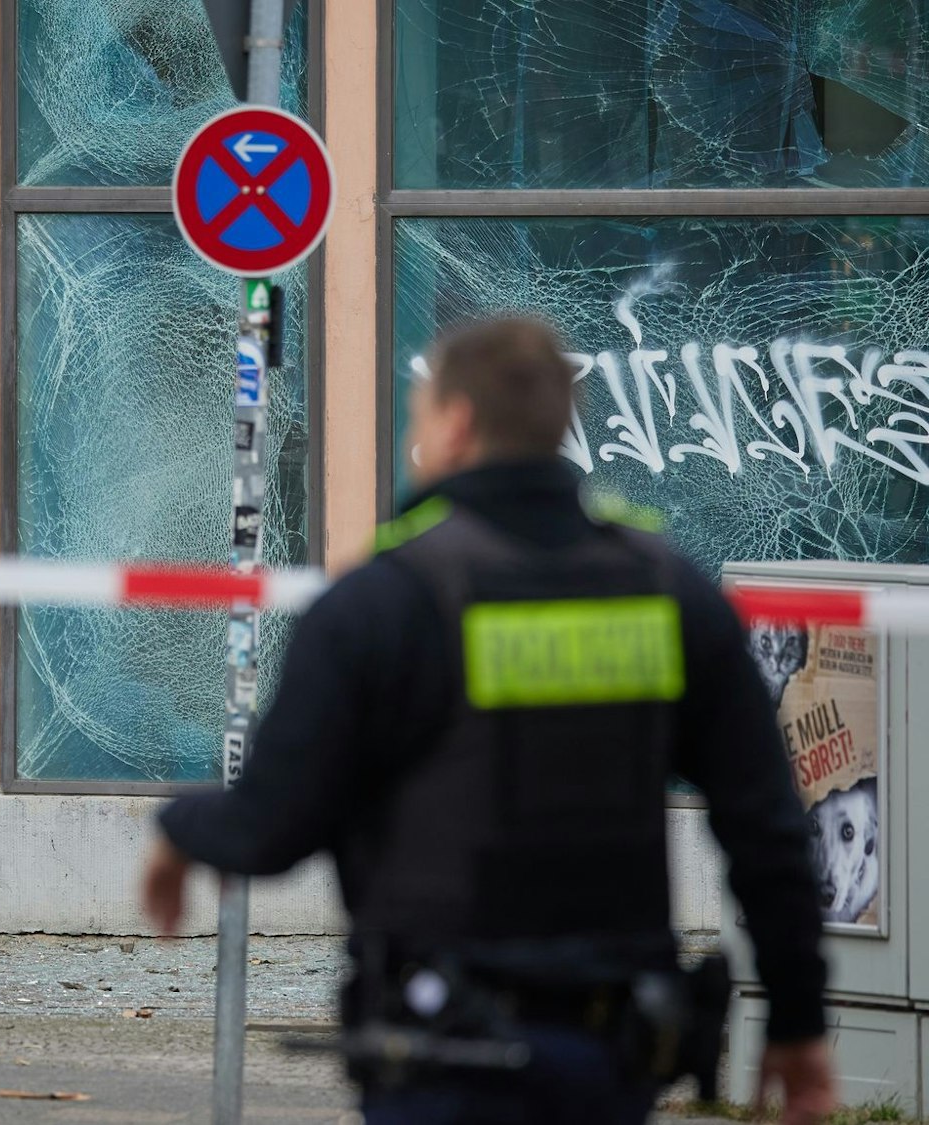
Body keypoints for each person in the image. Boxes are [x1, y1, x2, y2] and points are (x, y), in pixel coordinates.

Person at [142, 317, 836, 1124]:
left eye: (420, 411)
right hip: (612, 1061)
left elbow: (271, 824)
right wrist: (799, 1019)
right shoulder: (669, 591)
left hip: (443, 1057)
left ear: (458, 423)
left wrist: (179, 831)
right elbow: (768, 827)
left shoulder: (383, 603)